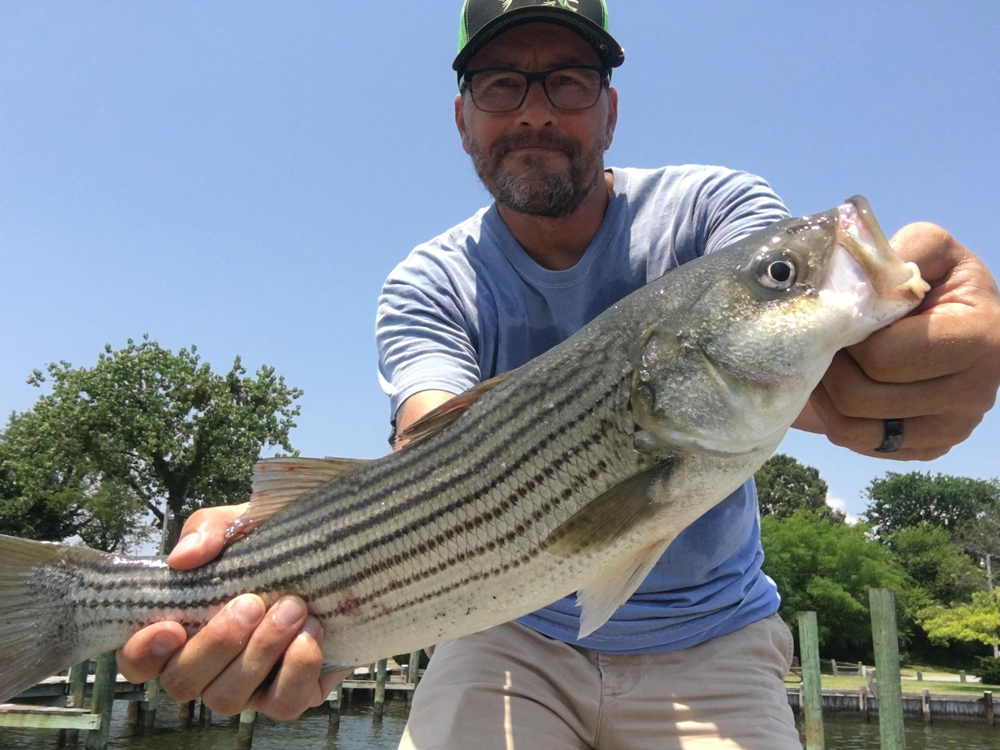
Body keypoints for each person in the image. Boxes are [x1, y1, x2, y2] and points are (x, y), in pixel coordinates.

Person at [118, 1, 1000, 746]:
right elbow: (431, 442)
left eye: (567, 80)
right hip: (501, 633)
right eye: (502, 83)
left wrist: (896, 379)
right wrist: (292, 546)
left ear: (609, 110)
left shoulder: (714, 209)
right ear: (462, 117)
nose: (535, 110)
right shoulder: (429, 279)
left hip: (719, 640)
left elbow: (814, 359)